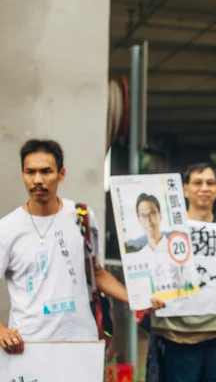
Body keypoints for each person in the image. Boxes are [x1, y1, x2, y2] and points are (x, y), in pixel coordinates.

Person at [0, 139, 159, 355]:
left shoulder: (82, 216)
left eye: (46, 171)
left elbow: (96, 272)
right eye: (30, 172)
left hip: (80, 340)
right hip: (28, 344)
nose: (38, 179)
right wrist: (1, 330)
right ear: (23, 174)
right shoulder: (7, 228)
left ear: (61, 174)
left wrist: (137, 298)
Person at [147, 163, 216, 382]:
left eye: (210, 183)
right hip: (176, 334)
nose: (204, 188)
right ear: (185, 189)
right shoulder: (163, 230)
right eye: (197, 182)